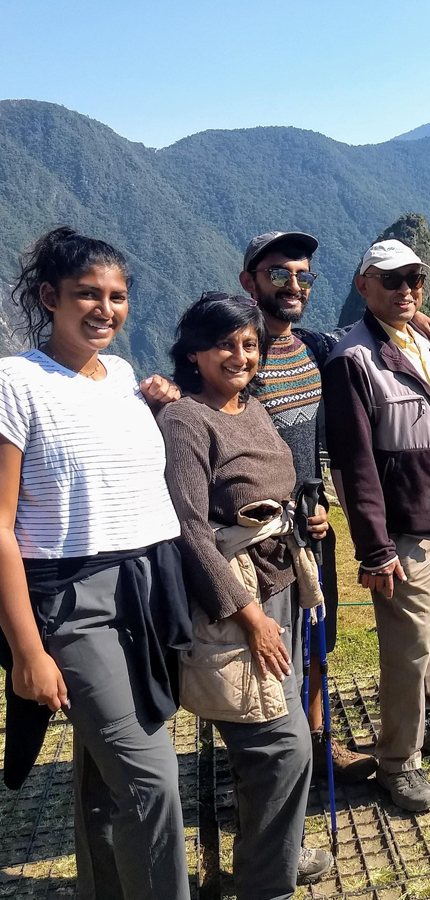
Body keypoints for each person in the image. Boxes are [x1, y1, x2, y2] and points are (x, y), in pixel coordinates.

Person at [0, 227, 191, 900]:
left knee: (104, 777)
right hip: (73, 601)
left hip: (145, 588)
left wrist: (158, 408)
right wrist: (27, 651)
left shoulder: (123, 378)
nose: (104, 309)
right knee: (150, 780)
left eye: (117, 296)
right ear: (49, 298)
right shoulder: (15, 382)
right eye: (86, 294)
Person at [238, 230, 430, 783]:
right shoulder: (235, 355)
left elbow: (361, 340)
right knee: (263, 654)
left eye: (303, 276)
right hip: (258, 539)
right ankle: (269, 773)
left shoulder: (314, 348)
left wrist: (409, 325)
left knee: (315, 643)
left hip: (315, 530)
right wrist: (160, 390)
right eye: (278, 274)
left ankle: (315, 748)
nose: (293, 285)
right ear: (249, 282)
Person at [157, 293, 332, 898]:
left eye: (250, 344)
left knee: (277, 747)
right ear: (195, 353)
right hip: (237, 601)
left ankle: (272, 856)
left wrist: (303, 518)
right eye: (225, 344)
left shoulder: (251, 407)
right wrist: (249, 614)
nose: (240, 355)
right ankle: (268, 883)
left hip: (279, 583)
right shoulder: (186, 420)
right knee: (279, 749)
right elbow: (187, 526)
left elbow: (271, 486)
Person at [323, 239, 430, 813]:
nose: (405, 289)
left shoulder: (422, 342)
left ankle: (428, 721)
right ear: (363, 286)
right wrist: (375, 549)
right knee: (406, 647)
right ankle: (397, 762)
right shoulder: (353, 359)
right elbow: (355, 463)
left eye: (414, 278)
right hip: (404, 532)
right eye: (391, 280)